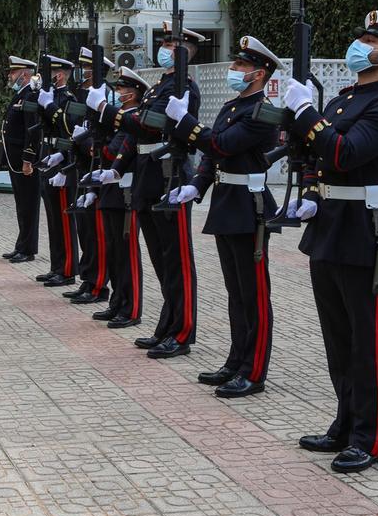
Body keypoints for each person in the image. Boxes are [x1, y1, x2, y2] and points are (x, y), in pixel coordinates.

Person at [280, 10, 378, 473]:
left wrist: (307, 116)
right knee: (338, 339)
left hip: (368, 233)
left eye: (368, 41)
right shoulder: (344, 99)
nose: (358, 46)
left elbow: (344, 151)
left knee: (369, 341)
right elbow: (317, 159)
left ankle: (370, 436)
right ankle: (344, 422)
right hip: (332, 227)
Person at [164, 36, 281, 398]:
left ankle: (254, 369)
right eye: (235, 64)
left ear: (260, 73)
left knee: (254, 292)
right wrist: (198, 185)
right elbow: (213, 158)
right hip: (227, 202)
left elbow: (221, 145)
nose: (234, 70)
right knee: (235, 291)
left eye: (242, 66)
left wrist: (186, 123)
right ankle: (235, 360)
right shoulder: (234, 106)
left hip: (250, 205)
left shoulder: (264, 111)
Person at [89, 24, 205, 358]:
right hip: (148, 179)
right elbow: (138, 132)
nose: (166, 47)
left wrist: (107, 111)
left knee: (178, 262)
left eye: (173, 44)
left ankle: (181, 333)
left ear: (187, 51)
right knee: (162, 261)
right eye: (165, 42)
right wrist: (116, 167)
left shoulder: (184, 89)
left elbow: (150, 125)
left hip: (170, 180)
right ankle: (167, 326)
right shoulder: (160, 87)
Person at [84, 67, 147, 327]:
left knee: (126, 252)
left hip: (126, 194)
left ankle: (130, 308)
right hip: (111, 192)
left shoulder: (133, 121)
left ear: (133, 94)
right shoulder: (121, 121)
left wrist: (96, 136)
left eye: (122, 89)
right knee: (113, 251)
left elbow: (111, 152)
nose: (118, 93)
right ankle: (118, 302)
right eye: (118, 88)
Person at [64, 46, 115, 305]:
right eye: (82, 67)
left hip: (97, 169)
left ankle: (98, 284)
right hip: (83, 168)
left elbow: (103, 138)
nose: (83, 72)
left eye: (88, 68)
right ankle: (87, 278)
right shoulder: (85, 95)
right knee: (85, 229)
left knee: (97, 232)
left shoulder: (106, 96)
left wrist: (82, 142)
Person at [34, 55, 80, 288]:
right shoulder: (51, 95)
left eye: (49, 73)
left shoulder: (69, 98)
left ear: (59, 75)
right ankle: (56, 266)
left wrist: (50, 105)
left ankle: (69, 268)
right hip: (48, 155)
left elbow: (69, 128)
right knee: (53, 218)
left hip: (62, 161)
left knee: (63, 219)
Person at [0, 56, 41, 263]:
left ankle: (28, 248)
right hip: (14, 159)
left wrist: (28, 159)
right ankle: (21, 245)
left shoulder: (31, 96)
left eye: (13, 72)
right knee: (21, 204)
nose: (10, 75)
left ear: (25, 74)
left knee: (28, 205)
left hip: (24, 161)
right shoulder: (20, 94)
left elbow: (31, 131)